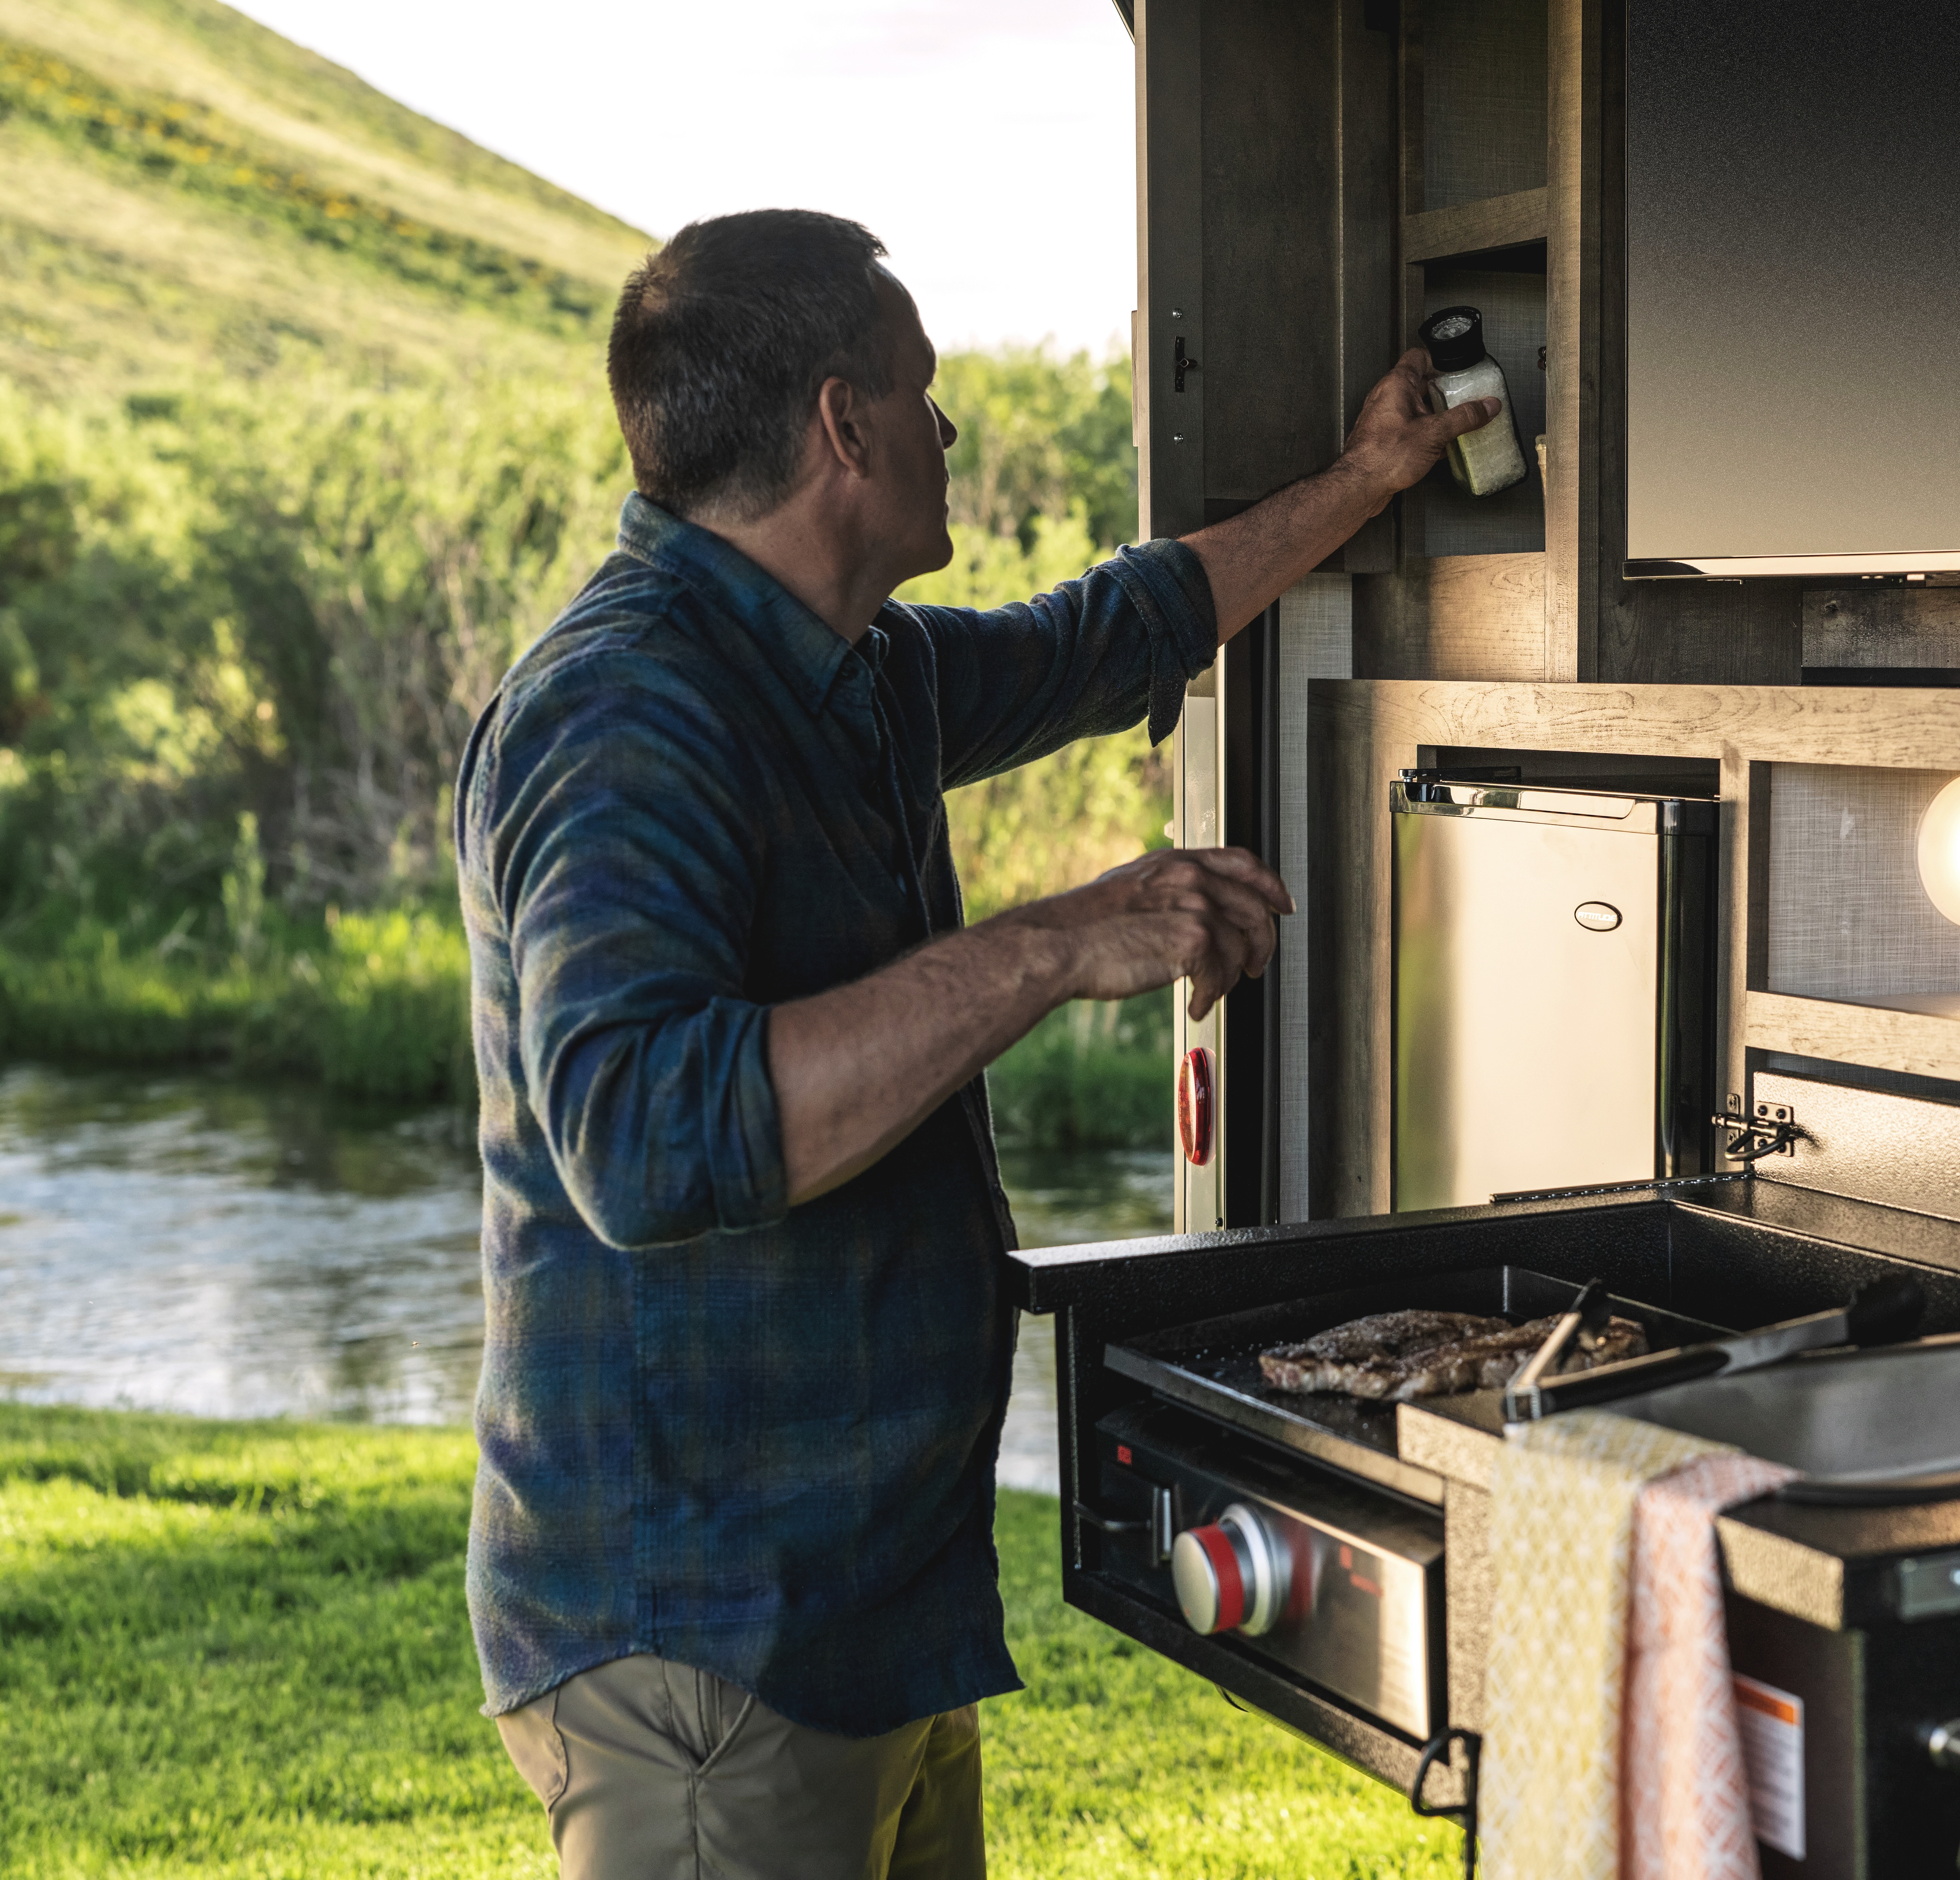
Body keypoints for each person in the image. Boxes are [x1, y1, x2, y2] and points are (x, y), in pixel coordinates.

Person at [452, 207, 1496, 1879]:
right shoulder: (625, 711)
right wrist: (1053, 943)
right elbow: (645, 1137)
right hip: (711, 1641)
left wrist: (1368, 479)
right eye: (922, 392)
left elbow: (1115, 631)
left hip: (860, 1610)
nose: (947, 428)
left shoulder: (854, 670)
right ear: (843, 427)